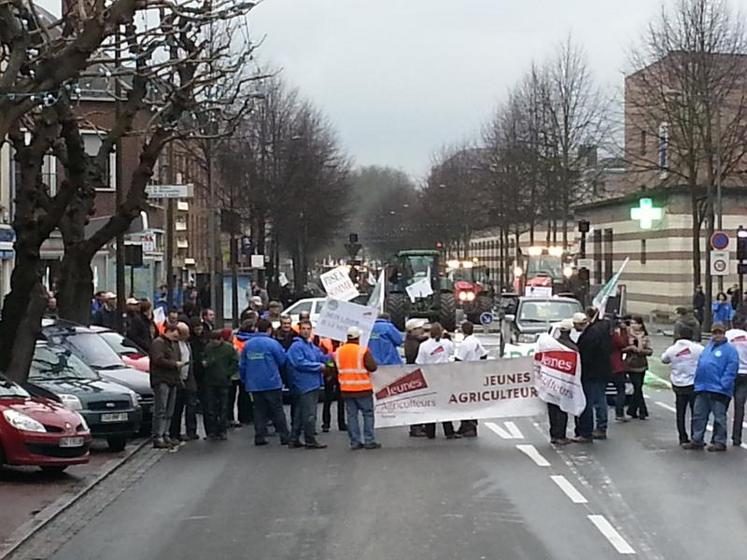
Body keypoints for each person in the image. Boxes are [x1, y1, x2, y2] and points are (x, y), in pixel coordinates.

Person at [683, 322, 738, 451]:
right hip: (702, 387)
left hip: (718, 389)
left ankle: (720, 441)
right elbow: (701, 364)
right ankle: (697, 439)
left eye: (720, 332)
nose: (717, 335)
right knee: (698, 415)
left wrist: (723, 384)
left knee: (719, 417)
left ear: (724, 333)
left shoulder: (730, 350)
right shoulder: (708, 347)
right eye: (715, 332)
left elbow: (731, 369)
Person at [240, 319, 291, 446]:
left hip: (254, 384)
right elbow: (282, 360)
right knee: (277, 410)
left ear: (256, 329)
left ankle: (259, 436)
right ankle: (284, 436)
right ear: (269, 329)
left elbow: (242, 365)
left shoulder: (248, 345)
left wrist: (245, 379)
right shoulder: (272, 344)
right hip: (271, 382)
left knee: (258, 411)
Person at [286, 320, 330, 449]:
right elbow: (299, 363)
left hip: (312, 383)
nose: (306, 331)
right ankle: (310, 440)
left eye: (308, 328)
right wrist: (319, 366)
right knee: (310, 414)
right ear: (299, 330)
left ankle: (294, 439)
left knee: (300, 413)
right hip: (304, 384)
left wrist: (332, 356)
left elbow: (321, 356)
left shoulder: (310, 345)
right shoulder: (296, 346)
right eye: (303, 328)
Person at [335, 326, 380, 449]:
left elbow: (334, 367)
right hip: (362, 388)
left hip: (346, 389)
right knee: (368, 414)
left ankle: (355, 441)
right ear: (358, 337)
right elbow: (373, 367)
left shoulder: (339, 351)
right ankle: (369, 440)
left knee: (351, 416)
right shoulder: (363, 351)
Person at [661, 325, 703, 446]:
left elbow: (664, 359)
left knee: (681, 411)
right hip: (693, 383)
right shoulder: (698, 348)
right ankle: (696, 436)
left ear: (679, 335)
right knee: (696, 412)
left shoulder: (672, 349)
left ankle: (682, 437)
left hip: (678, 383)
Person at [416, 322, 459, 440]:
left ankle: (430, 431)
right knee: (445, 404)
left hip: (430, 377)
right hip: (444, 377)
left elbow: (419, 362)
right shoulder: (447, 343)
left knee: (431, 404)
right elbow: (452, 353)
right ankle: (448, 431)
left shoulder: (424, 346)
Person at [575, 309, 612, 442]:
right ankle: (601, 426)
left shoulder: (591, 334)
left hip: (591, 372)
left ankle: (587, 432)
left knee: (588, 402)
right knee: (600, 399)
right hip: (603, 371)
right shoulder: (603, 331)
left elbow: (586, 355)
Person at [149, 323, 184, 449]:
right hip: (162, 379)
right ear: (169, 331)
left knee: (169, 410)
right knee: (161, 409)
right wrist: (174, 364)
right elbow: (158, 360)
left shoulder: (171, 344)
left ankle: (165, 433)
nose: (177, 337)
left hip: (172, 380)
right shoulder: (158, 343)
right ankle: (157, 436)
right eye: (176, 333)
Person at [202, 329, 239, 440]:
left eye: (215, 341)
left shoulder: (228, 348)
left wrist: (227, 373)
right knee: (211, 407)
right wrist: (205, 363)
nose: (213, 343)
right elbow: (204, 358)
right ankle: (212, 431)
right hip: (210, 381)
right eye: (212, 341)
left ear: (221, 339)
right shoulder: (208, 348)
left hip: (223, 382)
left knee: (223, 407)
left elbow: (234, 362)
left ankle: (222, 430)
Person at [454, 321, 488, 437]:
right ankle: (471, 425)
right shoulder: (476, 341)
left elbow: (458, 360)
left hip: (466, 375)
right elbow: (484, 355)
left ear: (463, 331)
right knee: (473, 401)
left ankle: (467, 426)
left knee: (465, 402)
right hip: (475, 374)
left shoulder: (465, 344)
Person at [547, 319, 578, 445]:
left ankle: (554, 434)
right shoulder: (572, 347)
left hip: (550, 382)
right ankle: (561, 435)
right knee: (562, 409)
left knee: (553, 409)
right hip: (565, 383)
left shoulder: (552, 345)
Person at [169, 322, 199, 442]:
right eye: (185, 333)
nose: (188, 335)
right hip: (178, 380)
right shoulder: (174, 345)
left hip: (189, 379)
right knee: (177, 408)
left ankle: (191, 431)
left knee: (191, 407)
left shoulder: (187, 344)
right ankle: (175, 433)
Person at [624, 315, 653, 420]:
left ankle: (632, 410)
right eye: (631, 323)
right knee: (637, 387)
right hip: (631, 365)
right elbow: (623, 348)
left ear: (640, 325)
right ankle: (642, 411)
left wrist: (640, 344)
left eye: (635, 323)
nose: (633, 325)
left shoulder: (644, 336)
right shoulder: (628, 335)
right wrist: (631, 348)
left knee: (638, 388)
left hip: (642, 365)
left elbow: (649, 351)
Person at [404, 318, 428, 437]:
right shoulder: (414, 344)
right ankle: (416, 427)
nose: (422, 330)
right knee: (417, 401)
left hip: (416, 373)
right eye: (419, 328)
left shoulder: (412, 340)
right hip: (416, 375)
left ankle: (418, 425)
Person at [726, 318, 747, 446]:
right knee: (740, 406)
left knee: (722, 405)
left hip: (731, 373)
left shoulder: (727, 335)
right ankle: (736, 437)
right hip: (745, 374)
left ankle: (719, 436)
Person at [228, 324, 253, 427]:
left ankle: (230, 418)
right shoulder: (251, 341)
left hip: (233, 372)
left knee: (231, 396)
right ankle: (245, 417)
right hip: (245, 371)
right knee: (244, 396)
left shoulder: (235, 339)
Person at [319, 337, 346, 433]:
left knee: (341, 399)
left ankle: (341, 423)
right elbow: (322, 357)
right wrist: (331, 359)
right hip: (329, 373)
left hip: (341, 372)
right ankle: (326, 423)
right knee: (328, 399)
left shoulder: (344, 342)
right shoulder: (325, 342)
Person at [610, 318, 629, 423]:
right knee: (621, 390)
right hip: (616, 366)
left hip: (605, 366)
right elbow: (623, 344)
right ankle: (619, 413)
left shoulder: (602, 335)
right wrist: (623, 331)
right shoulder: (614, 336)